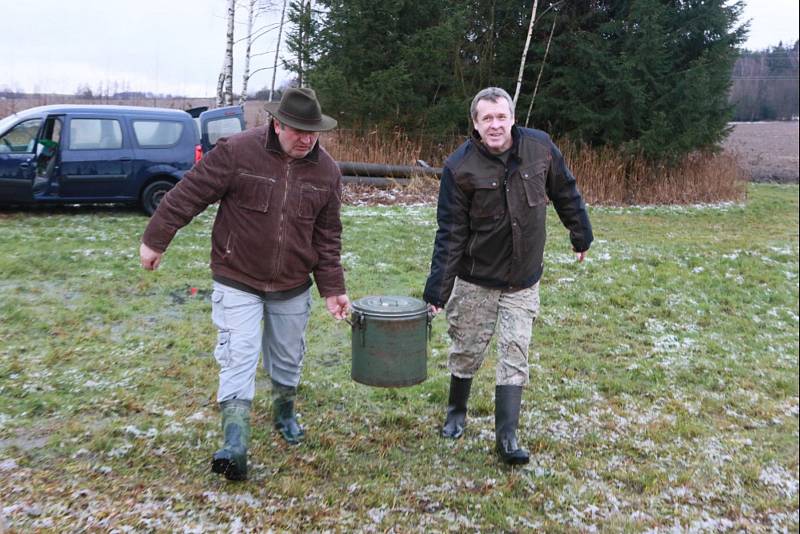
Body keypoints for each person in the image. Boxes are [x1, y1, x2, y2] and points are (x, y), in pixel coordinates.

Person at [139, 87, 350, 481]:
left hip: (292, 282)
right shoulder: (238, 152)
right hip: (237, 276)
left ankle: (284, 413)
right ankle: (234, 442)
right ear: (277, 123)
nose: (306, 139)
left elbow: (327, 237)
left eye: (312, 132)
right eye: (297, 130)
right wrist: (156, 239)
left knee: (287, 358)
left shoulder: (327, 172)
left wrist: (333, 289)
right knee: (239, 353)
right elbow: (189, 194)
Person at [423, 87, 593, 465]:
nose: (495, 125)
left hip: (523, 278)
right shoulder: (459, 168)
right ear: (476, 124)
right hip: (475, 278)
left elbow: (565, 191)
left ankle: (507, 435)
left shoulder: (540, 148)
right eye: (487, 119)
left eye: (501, 117)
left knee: (516, 351)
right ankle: (456, 412)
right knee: (466, 348)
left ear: (513, 118)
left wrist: (580, 232)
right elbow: (450, 234)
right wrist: (437, 290)